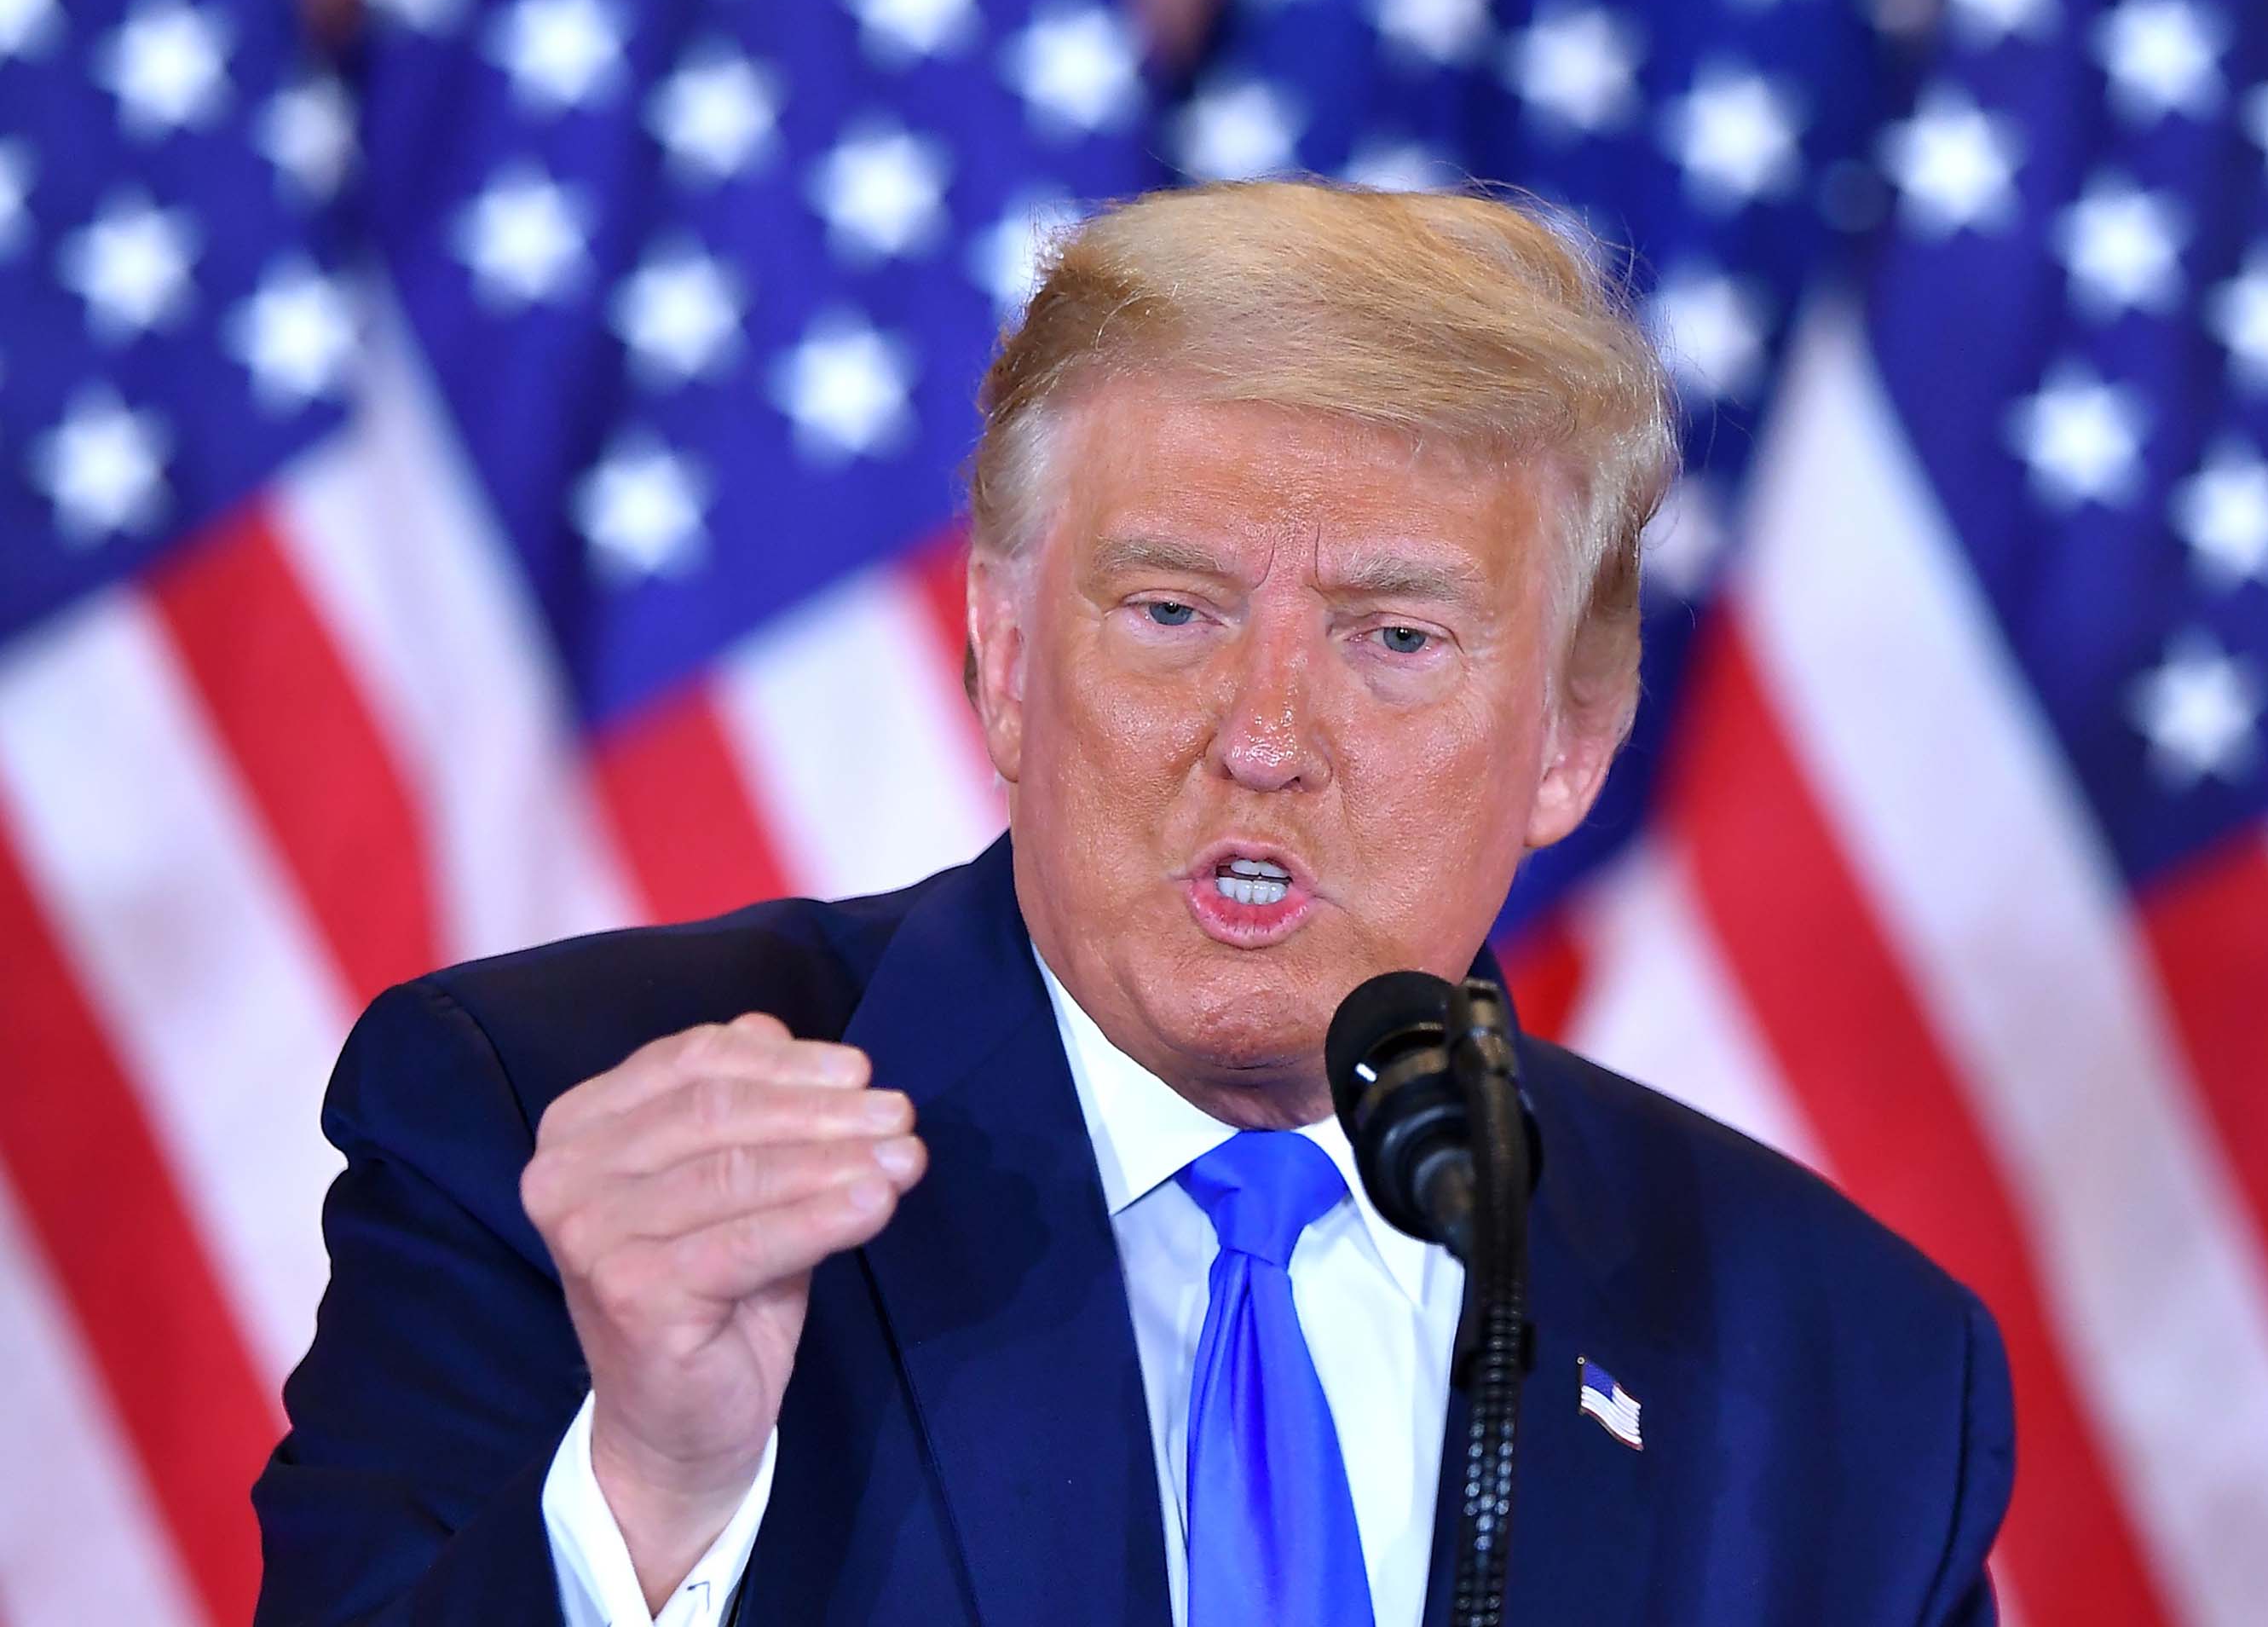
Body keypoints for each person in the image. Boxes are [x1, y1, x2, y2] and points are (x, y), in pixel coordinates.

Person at [252, 181, 2012, 1627]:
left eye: (1396, 639)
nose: (1264, 738)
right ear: (1007, 659)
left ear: (1569, 739)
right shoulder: (547, 1127)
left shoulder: (1848, 1370)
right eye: (1170, 610)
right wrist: (650, 1487)